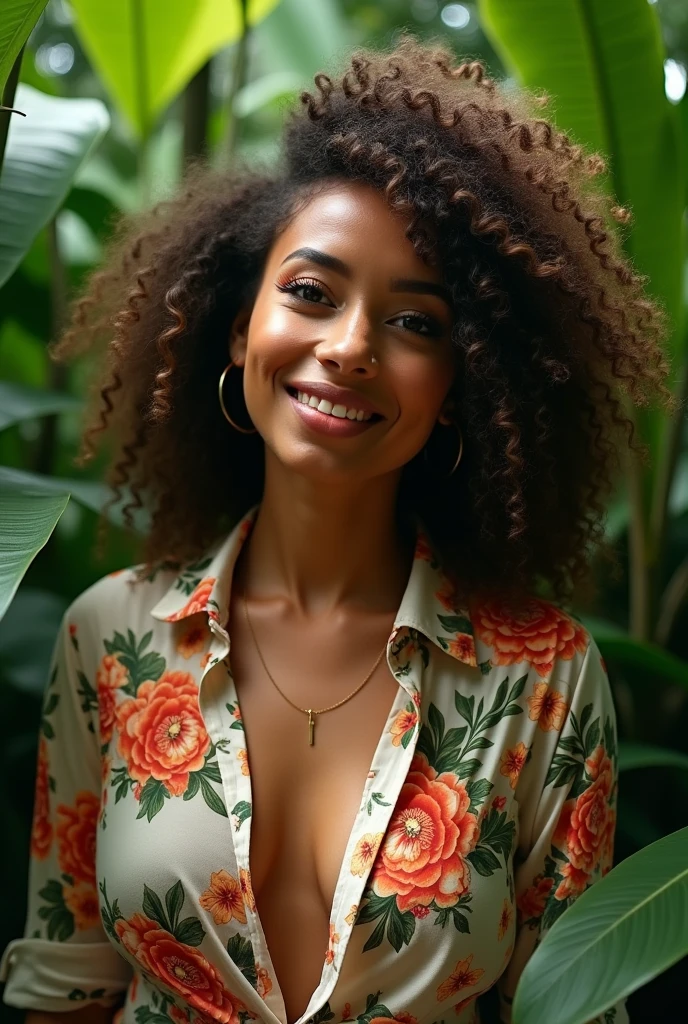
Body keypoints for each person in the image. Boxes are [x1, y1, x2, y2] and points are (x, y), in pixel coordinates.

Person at [0, 35, 672, 1024]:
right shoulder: (112, 640)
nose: (349, 347)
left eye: (415, 324)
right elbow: (68, 990)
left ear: (458, 388)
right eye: (310, 294)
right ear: (240, 327)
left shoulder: (543, 679)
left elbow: (570, 1003)